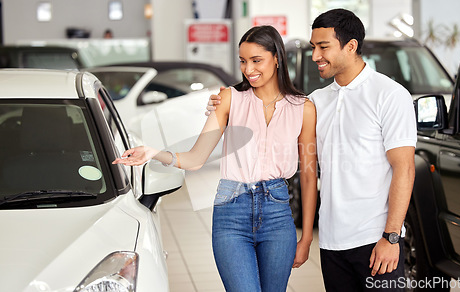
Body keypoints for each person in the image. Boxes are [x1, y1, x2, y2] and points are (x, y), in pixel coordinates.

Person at [207, 9, 416, 292]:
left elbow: (404, 168)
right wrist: (222, 107)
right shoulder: (317, 101)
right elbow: (290, 154)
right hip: (331, 243)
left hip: (375, 240)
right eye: (313, 46)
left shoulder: (389, 95)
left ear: (351, 46)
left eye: (323, 47)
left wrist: (391, 237)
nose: (315, 55)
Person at [113, 25, 318, 292]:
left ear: (277, 57)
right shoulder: (229, 99)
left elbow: (309, 174)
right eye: (243, 61)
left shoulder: (303, 108)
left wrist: (306, 239)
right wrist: (153, 152)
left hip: (278, 214)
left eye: (257, 60)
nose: (249, 69)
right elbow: (196, 158)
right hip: (232, 212)